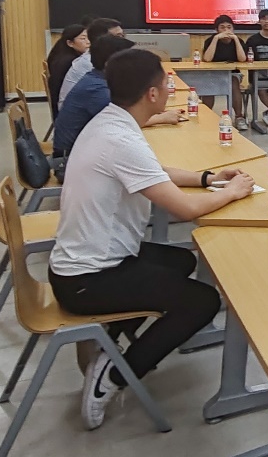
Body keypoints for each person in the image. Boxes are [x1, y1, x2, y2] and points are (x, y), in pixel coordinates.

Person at [48, 48, 256, 431]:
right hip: (87, 281)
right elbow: (185, 210)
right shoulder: (120, 139)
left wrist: (210, 179)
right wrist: (233, 192)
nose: (170, 88)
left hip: (82, 264)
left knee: (182, 261)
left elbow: (154, 171)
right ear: (153, 94)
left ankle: (112, 339)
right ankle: (113, 375)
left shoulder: (112, 121)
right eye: (166, 83)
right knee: (203, 301)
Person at [52, 35, 184, 156]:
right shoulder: (97, 89)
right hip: (67, 158)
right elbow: (126, 120)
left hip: (81, 152)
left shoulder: (97, 79)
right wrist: (162, 118)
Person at [59, 18, 123, 109]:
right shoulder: (90, 62)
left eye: (123, 36)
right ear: (102, 39)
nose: (123, 41)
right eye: (118, 37)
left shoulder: (97, 57)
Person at [202, 14, 249, 131]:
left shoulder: (239, 41)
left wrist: (236, 40)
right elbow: (207, 58)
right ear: (217, 30)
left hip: (233, 74)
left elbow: (242, 59)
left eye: (229, 27)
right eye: (222, 27)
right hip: (213, 74)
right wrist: (216, 39)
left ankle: (239, 117)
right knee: (207, 85)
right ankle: (206, 116)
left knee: (233, 83)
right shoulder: (210, 40)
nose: (226, 30)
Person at [47, 23, 89, 113]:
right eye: (83, 38)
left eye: (89, 38)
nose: (88, 42)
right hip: (65, 109)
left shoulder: (62, 54)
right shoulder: (71, 62)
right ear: (70, 43)